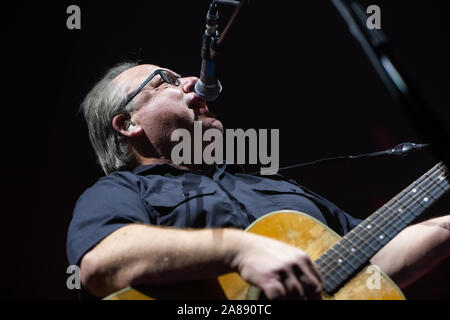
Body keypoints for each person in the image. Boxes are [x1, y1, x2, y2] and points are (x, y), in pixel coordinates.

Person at [67, 62, 450, 299]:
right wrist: (239, 249)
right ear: (128, 123)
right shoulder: (120, 191)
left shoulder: (271, 184)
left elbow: (370, 260)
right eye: (163, 81)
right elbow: (102, 260)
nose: (192, 81)